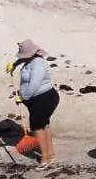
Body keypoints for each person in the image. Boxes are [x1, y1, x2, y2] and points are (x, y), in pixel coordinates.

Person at [5, 39, 59, 168]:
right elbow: (22, 60)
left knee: (36, 128)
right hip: (38, 99)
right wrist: (14, 64)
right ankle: (50, 153)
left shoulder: (38, 64)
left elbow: (34, 85)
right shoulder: (29, 60)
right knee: (44, 125)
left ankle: (45, 159)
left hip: (44, 99)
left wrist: (23, 97)